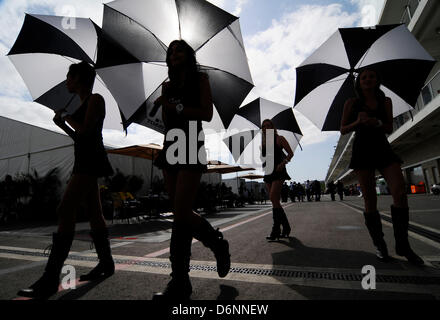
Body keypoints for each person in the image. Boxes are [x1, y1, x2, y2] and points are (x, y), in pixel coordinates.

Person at [18, 62, 115, 299]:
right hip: (85, 158)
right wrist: (63, 124)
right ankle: (106, 263)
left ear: (80, 78)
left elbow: (86, 132)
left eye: (69, 77)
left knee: (65, 209)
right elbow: (79, 136)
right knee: (94, 213)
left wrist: (67, 117)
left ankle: (50, 279)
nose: (66, 81)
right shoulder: (83, 103)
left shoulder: (96, 100)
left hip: (90, 161)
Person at [152, 40, 230, 300]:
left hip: (191, 143)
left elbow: (206, 113)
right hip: (170, 143)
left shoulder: (200, 79)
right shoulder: (166, 85)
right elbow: (166, 121)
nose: (174, 54)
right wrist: (164, 104)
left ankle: (181, 280)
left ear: (188, 54)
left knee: (182, 211)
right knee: (179, 212)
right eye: (171, 51)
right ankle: (211, 250)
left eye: (179, 49)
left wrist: (176, 106)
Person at [340, 68, 423, 265]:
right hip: (362, 149)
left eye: (372, 76)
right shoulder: (351, 103)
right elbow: (343, 129)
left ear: (377, 80)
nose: (368, 79)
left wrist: (375, 121)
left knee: (400, 192)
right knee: (370, 199)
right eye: (364, 77)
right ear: (358, 82)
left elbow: (388, 127)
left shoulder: (386, 101)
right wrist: (358, 122)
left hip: (382, 147)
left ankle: (403, 244)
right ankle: (380, 244)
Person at [261, 119, 294, 241]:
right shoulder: (263, 143)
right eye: (264, 126)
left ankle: (276, 230)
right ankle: (285, 227)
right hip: (268, 172)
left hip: (279, 171)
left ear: (272, 127)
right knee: (274, 201)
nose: (266, 128)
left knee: (274, 198)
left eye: (268, 125)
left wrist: (283, 163)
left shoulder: (280, 139)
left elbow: (290, 153)